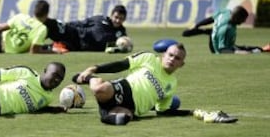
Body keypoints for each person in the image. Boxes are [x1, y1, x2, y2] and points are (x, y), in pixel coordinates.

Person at [72, 44, 237, 125]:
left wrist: (191, 112)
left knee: (123, 119)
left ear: (181, 65)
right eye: (170, 55)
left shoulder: (172, 84)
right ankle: (88, 78)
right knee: (100, 88)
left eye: (177, 58)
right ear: (164, 54)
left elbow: (162, 112)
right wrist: (94, 68)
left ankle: (106, 115)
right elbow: (121, 65)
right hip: (122, 89)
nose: (172, 59)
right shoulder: (149, 58)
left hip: (132, 108)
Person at [0, 0, 64, 54]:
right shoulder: (42, 29)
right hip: (4, 51)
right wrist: (54, 52)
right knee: (41, 45)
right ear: (47, 13)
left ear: (34, 11)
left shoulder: (21, 17)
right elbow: (34, 51)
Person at [182, 5, 269, 54]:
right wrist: (239, 53)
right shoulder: (227, 29)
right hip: (217, 48)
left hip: (216, 35)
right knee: (248, 50)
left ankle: (204, 31)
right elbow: (222, 50)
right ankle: (263, 49)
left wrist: (198, 25)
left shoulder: (225, 12)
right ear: (237, 18)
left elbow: (211, 19)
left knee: (213, 31)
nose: (244, 21)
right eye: (243, 19)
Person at [44, 5, 128, 52]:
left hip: (77, 47)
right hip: (75, 34)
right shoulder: (99, 19)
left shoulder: (121, 34)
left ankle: (36, 46)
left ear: (124, 19)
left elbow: (123, 46)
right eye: (116, 17)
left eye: (121, 18)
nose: (117, 20)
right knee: (52, 24)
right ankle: (34, 35)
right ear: (111, 15)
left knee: (50, 48)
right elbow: (82, 23)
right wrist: (67, 25)